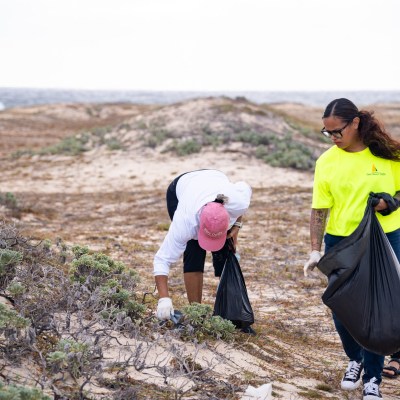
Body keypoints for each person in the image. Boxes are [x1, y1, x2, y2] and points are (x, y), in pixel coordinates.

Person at [303, 98, 400, 400]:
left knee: (376, 309)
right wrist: (314, 249)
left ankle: (373, 379)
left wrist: (390, 202)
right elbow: (320, 208)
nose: (333, 138)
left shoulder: (387, 156)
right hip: (341, 242)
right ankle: (355, 358)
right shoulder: (327, 162)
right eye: (327, 133)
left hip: (384, 239)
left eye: (337, 131)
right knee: (341, 306)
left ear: (355, 123)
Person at [154, 169, 252, 321]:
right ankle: (197, 313)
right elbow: (162, 259)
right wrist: (164, 299)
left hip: (213, 178)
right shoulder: (185, 223)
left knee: (226, 252)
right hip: (181, 189)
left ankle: (230, 312)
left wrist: (237, 225)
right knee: (194, 250)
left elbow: (245, 188)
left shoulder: (238, 202)